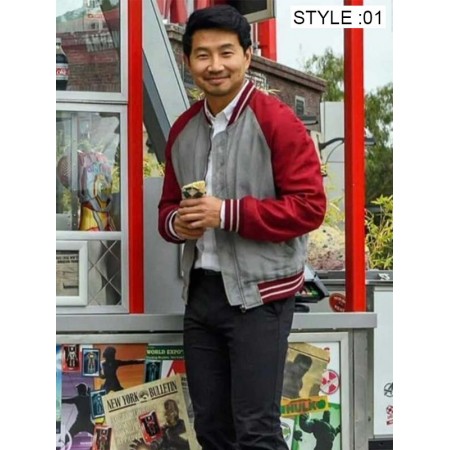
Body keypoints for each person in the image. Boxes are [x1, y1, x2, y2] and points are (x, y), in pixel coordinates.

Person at [157, 5, 326, 450]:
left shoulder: (279, 122)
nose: (215, 65)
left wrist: (226, 214)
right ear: (188, 61)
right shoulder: (182, 130)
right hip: (202, 294)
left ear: (248, 56)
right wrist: (179, 223)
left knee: (256, 430)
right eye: (202, 55)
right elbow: (166, 213)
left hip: (262, 297)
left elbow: (309, 208)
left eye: (226, 52)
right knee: (211, 428)